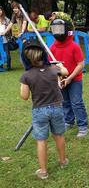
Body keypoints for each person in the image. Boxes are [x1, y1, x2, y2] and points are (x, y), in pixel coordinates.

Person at [19, 39, 69, 179]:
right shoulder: (54, 69)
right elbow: (65, 71)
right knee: (59, 135)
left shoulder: (26, 76)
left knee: (41, 140)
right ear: (44, 54)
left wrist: (25, 84)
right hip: (57, 108)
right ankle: (63, 161)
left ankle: (43, 171)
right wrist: (58, 65)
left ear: (25, 57)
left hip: (39, 111)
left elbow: (24, 96)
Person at [50, 18, 89, 137]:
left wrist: (70, 78)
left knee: (76, 102)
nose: (57, 31)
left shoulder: (74, 46)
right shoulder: (52, 48)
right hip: (61, 79)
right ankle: (68, 121)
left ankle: (83, 126)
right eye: (55, 29)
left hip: (75, 79)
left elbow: (81, 64)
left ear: (66, 30)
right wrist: (58, 80)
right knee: (65, 102)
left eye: (60, 29)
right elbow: (53, 66)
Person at [0, 6, 11, 70]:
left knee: (7, 54)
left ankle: (8, 66)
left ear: (2, 11)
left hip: (5, 39)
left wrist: (4, 32)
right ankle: (0, 66)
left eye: (0, 10)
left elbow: (9, 30)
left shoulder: (6, 19)